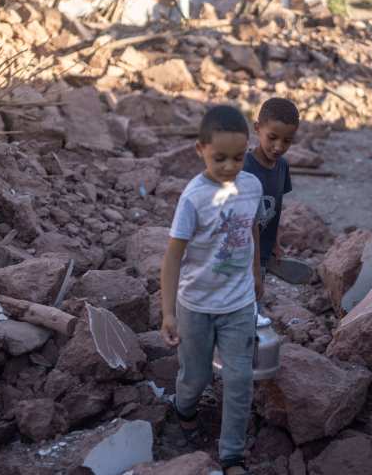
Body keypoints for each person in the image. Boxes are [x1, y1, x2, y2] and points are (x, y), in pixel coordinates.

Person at [159, 104, 263, 475]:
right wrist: (169, 312)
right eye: (220, 158)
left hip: (237, 303)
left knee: (239, 377)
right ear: (200, 149)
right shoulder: (193, 198)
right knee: (196, 376)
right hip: (197, 305)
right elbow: (173, 257)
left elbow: (251, 227)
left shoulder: (252, 185)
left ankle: (232, 454)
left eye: (239, 157)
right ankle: (183, 408)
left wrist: (255, 271)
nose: (230, 167)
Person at [242, 98, 300, 272]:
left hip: (263, 253)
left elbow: (276, 209)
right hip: (241, 253)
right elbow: (244, 221)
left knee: (256, 295)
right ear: (257, 128)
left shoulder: (282, 166)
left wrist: (274, 242)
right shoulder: (245, 170)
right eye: (272, 138)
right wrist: (254, 266)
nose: (278, 147)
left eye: (287, 141)